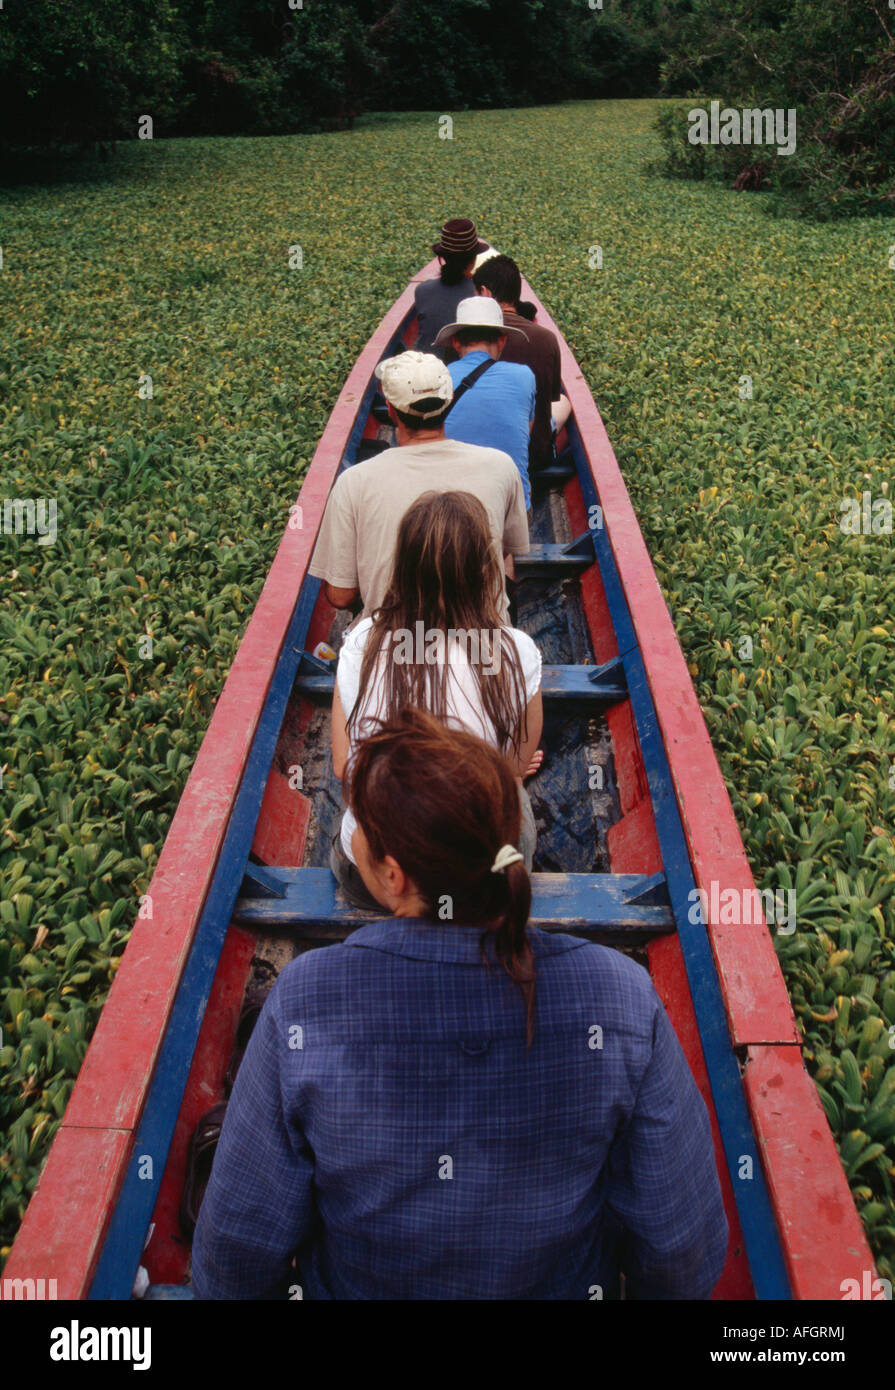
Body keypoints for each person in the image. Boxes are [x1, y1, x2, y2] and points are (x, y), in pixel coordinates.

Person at [191, 708, 730, 1300]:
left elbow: (235, 1255)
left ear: (393, 876)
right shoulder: (623, 996)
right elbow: (681, 1249)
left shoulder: (304, 1000)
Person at [329, 491, 542, 909]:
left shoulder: (363, 642)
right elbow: (515, 766)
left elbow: (344, 766)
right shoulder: (515, 650)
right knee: (513, 792)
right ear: (487, 569)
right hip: (480, 879)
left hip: (381, 879)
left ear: (402, 566)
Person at [308, 350, 529, 622]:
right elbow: (503, 550)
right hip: (484, 649)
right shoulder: (501, 466)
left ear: (389, 409)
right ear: (448, 402)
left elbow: (341, 595)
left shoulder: (354, 481)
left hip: (393, 650)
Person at [435, 297, 536, 512]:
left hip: (449, 514)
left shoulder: (437, 378)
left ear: (455, 342)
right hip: (510, 511)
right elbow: (524, 435)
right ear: (502, 341)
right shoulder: (524, 376)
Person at [474, 253, 571, 472]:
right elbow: (548, 399)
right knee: (563, 401)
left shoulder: (463, 338)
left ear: (485, 293)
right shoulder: (546, 338)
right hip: (532, 455)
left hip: (476, 453)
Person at [414, 217, 489, 358]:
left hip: (423, 365)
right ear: (473, 260)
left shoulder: (421, 290)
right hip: (457, 371)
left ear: (443, 258)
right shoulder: (478, 296)